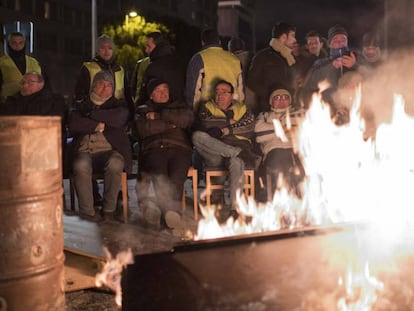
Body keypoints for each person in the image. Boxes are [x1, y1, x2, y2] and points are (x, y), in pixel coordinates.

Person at [73, 34, 133, 206]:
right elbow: (80, 95)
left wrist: (127, 117)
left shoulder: (120, 69)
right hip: (94, 110)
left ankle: (113, 198)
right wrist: (90, 112)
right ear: (97, 50)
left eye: (109, 48)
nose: (106, 51)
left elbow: (127, 94)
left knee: (115, 159)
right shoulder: (88, 67)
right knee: (85, 159)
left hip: (115, 116)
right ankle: (93, 199)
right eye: (103, 48)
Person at [69, 71, 132, 222]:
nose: (105, 88)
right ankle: (88, 213)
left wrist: (90, 113)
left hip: (109, 151)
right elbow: (74, 123)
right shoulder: (80, 103)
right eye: (101, 84)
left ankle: (109, 210)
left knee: (116, 163)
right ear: (93, 86)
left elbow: (118, 118)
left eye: (109, 85)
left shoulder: (118, 104)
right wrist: (98, 125)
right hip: (85, 151)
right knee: (80, 164)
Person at [134, 79, 193, 230]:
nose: (163, 93)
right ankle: (172, 214)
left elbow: (186, 119)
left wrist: (158, 116)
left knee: (176, 177)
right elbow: (144, 129)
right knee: (160, 177)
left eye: (165, 90)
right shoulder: (143, 108)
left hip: (179, 148)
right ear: (151, 95)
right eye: (159, 91)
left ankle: (166, 216)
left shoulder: (179, 105)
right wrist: (171, 123)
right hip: (154, 149)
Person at [192, 80, 257, 216]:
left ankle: (235, 209)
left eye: (224, 92)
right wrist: (234, 123)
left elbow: (249, 127)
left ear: (232, 95)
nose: (219, 96)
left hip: (239, 144)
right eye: (217, 92)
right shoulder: (207, 107)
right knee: (197, 136)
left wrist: (224, 130)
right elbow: (208, 124)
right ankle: (237, 153)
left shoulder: (242, 108)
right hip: (216, 152)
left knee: (236, 161)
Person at [254, 86, 305, 199]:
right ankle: (279, 202)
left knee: (298, 167)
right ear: (271, 101)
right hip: (274, 150)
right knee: (278, 163)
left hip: (295, 149)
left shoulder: (299, 113)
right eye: (277, 97)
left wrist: (274, 130)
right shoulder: (264, 116)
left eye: (285, 97)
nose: (281, 100)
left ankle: (299, 202)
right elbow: (259, 133)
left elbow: (304, 130)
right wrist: (285, 129)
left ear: (290, 100)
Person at [185, 28, 244, 112]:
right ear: (219, 41)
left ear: (202, 42)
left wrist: (193, 111)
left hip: (207, 112)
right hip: (232, 111)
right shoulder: (235, 59)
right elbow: (241, 89)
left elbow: (193, 91)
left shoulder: (199, 59)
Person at [301, 24, 358, 110]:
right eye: (335, 40)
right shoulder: (321, 62)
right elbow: (310, 83)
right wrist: (331, 66)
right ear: (330, 44)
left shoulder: (355, 60)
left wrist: (355, 66)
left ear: (347, 42)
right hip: (327, 109)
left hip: (352, 108)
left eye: (343, 39)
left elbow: (371, 79)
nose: (340, 42)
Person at [247, 22, 297, 115]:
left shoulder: (290, 58)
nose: (295, 40)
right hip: (267, 109)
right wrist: (270, 95)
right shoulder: (263, 56)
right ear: (283, 37)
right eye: (292, 36)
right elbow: (251, 81)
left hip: (288, 108)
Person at [135, 32, 185, 107]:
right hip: (179, 110)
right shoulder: (180, 62)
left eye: (149, 46)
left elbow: (144, 94)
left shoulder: (153, 67)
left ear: (158, 47)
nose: (146, 50)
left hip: (158, 111)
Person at [0, 32, 49, 103]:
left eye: (20, 43)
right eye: (14, 43)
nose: (17, 45)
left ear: (24, 44)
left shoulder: (34, 62)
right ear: (8, 44)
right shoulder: (2, 62)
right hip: (10, 105)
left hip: (34, 104)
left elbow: (45, 84)